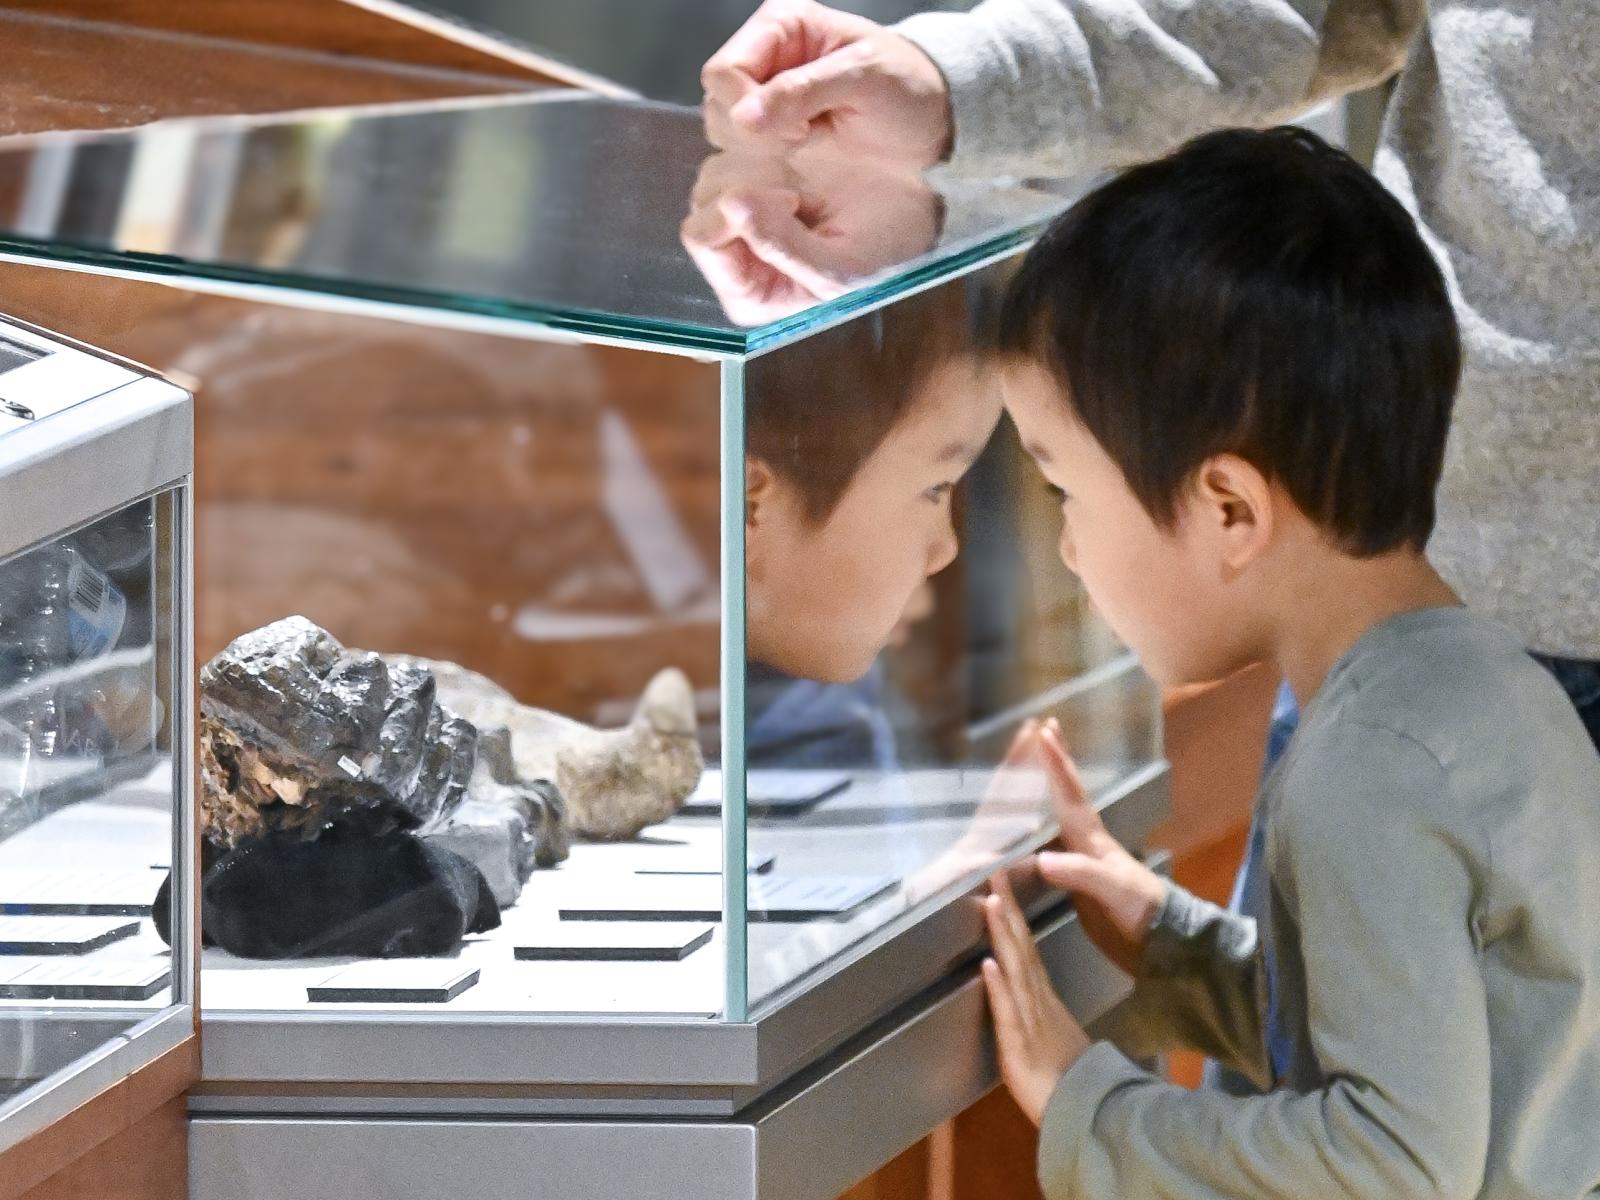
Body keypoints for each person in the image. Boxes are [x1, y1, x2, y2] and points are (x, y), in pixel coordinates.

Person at [700, 0, 1600, 747]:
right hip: (1451, 581)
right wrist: (954, 82)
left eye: (1060, 490)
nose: (951, 549)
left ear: (1229, 509)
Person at [977, 126, 1600, 1197]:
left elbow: (1393, 1164)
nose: (1070, 548)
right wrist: (1171, 946)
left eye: (1063, 491)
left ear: (1228, 507)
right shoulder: (1492, 688)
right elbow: (1432, 1031)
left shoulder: (1369, 769)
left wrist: (1090, 1103)